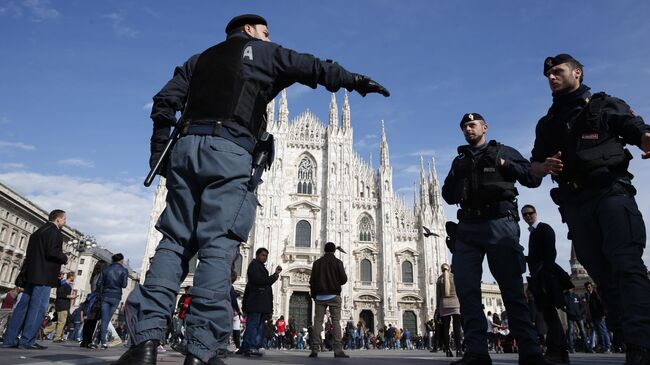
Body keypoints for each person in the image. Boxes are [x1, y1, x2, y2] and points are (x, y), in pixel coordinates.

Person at [117, 13, 388, 365]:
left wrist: (159, 152)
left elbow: (163, 103)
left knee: (172, 243)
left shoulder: (198, 60)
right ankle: (200, 349)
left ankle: (145, 343)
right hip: (230, 152)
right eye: (265, 32)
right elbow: (313, 67)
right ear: (248, 30)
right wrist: (354, 80)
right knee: (218, 248)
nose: (268, 37)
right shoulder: (262, 53)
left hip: (185, 151)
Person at [530, 53, 650, 364]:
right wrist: (542, 167)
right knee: (600, 272)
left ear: (578, 73)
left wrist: (645, 137)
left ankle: (641, 342)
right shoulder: (548, 123)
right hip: (575, 204)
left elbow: (633, 126)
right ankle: (627, 336)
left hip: (611, 193)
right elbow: (534, 166)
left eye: (558, 72)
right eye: (549, 75)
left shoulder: (603, 104)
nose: (552, 78)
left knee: (626, 264)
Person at [441, 113, 552, 365]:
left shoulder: (504, 151)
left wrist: (505, 164)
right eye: (464, 127)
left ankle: (531, 352)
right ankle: (477, 352)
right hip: (468, 227)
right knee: (467, 291)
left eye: (472, 125)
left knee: (512, 290)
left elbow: (532, 178)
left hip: (500, 223)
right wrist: (458, 184)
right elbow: (447, 196)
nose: (468, 129)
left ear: (484, 127)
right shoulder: (459, 162)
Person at [2, 209, 68, 349]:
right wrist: (64, 257)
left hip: (31, 276)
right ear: (57, 219)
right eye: (64, 219)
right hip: (44, 276)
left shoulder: (37, 232)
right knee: (38, 309)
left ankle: (9, 339)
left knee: (22, 308)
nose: (65, 222)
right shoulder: (55, 232)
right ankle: (27, 341)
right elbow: (52, 252)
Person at [522, 205, 573, 363]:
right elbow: (535, 257)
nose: (528, 216)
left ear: (536, 214)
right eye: (525, 215)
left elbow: (550, 254)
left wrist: (544, 275)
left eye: (530, 213)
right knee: (549, 314)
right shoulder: (533, 233)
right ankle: (561, 352)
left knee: (550, 315)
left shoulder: (544, 229)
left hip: (545, 277)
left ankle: (555, 350)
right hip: (540, 276)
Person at [238, 247, 281, 356]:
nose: (265, 257)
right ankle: (248, 346)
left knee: (259, 326)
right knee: (253, 325)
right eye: (263, 255)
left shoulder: (260, 267)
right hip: (256, 302)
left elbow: (264, 284)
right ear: (257, 255)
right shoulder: (254, 266)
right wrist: (274, 276)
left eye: (266, 256)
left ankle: (254, 346)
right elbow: (260, 281)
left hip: (261, 303)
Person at [308, 241, 349, 358]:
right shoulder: (338, 262)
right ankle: (337, 350)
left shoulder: (317, 263)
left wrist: (314, 295)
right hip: (333, 296)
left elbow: (312, 281)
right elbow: (344, 280)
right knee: (336, 322)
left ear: (324, 250)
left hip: (320, 296)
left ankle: (314, 349)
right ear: (334, 250)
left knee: (318, 322)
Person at [98, 253, 128, 349]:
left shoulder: (105, 269)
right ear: (121, 260)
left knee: (104, 319)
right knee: (107, 319)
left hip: (105, 295)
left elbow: (99, 283)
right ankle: (102, 340)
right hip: (116, 296)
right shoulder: (124, 270)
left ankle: (102, 341)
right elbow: (124, 285)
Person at [80, 260, 108, 349]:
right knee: (92, 322)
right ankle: (88, 341)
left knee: (89, 321)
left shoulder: (94, 275)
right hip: (97, 300)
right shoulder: (101, 276)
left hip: (91, 298)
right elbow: (100, 288)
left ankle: (84, 341)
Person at [437, 263, 462, 358]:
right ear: (450, 268)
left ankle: (447, 350)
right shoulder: (455, 277)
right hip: (455, 304)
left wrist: (437, 309)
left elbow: (438, 296)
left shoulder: (440, 279)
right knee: (457, 329)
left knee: (445, 329)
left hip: (444, 305)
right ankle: (459, 350)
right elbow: (460, 291)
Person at [583, 282, 611, 353]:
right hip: (593, 316)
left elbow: (601, 304)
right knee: (599, 332)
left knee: (603, 331)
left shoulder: (595, 294)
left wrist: (604, 314)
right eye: (587, 287)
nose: (588, 289)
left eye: (589, 287)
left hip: (599, 315)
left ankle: (608, 347)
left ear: (592, 287)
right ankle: (603, 346)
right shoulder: (587, 295)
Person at [53, 272, 77, 342]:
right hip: (62, 305)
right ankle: (57, 337)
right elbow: (60, 294)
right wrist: (69, 296)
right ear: (71, 277)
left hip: (65, 305)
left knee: (60, 321)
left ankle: (45, 332)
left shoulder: (67, 284)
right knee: (62, 322)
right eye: (74, 276)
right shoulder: (63, 283)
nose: (74, 278)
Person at [563, 288, 588, 353]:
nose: (569, 289)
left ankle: (587, 348)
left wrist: (580, 312)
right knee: (571, 332)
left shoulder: (576, 296)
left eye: (570, 288)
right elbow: (563, 307)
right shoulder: (565, 297)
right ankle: (571, 348)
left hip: (579, 317)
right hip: (570, 317)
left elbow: (582, 306)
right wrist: (569, 312)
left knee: (583, 332)